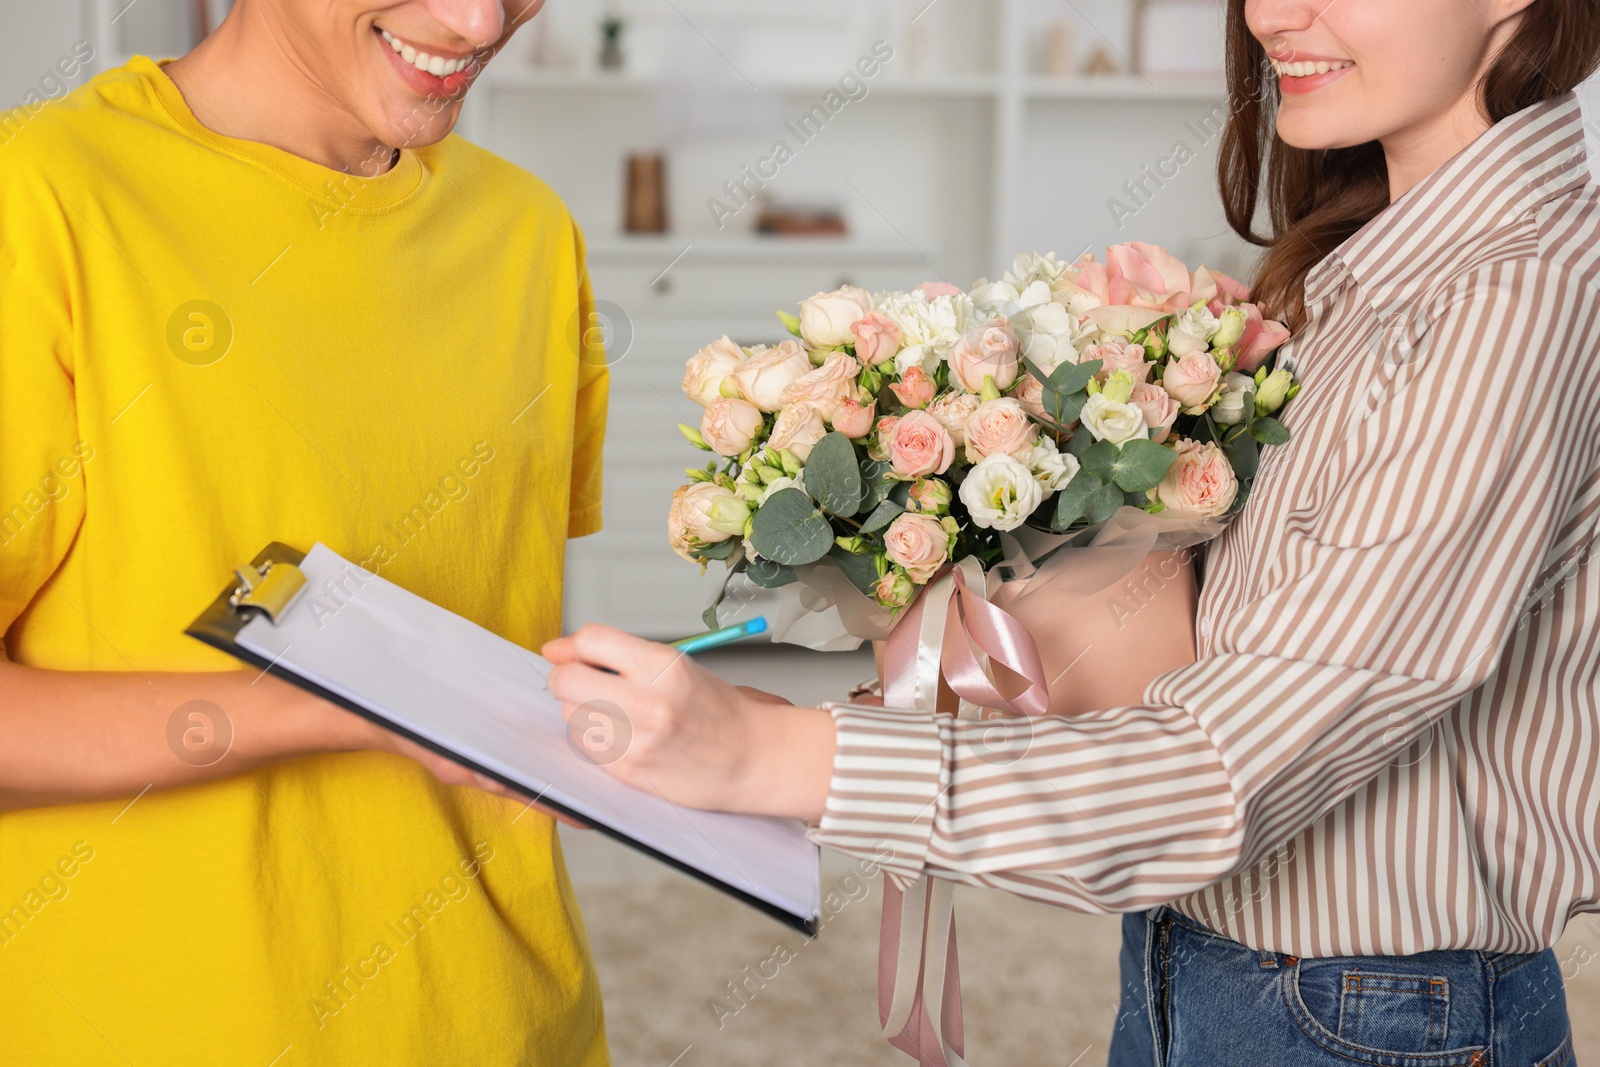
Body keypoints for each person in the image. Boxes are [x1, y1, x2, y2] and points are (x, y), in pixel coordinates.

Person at [543, 0, 1600, 1062]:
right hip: (1217, 964)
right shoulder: (1389, 264)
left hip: (1369, 1015)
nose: (1271, 15)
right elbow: (1231, 656)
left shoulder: (1509, 302)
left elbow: (1227, 771)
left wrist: (771, 755)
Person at [0, 1, 610, 1062]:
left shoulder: (530, 233)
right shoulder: (41, 200)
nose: (475, 21)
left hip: (509, 1019)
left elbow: (499, 622)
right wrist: (334, 710)